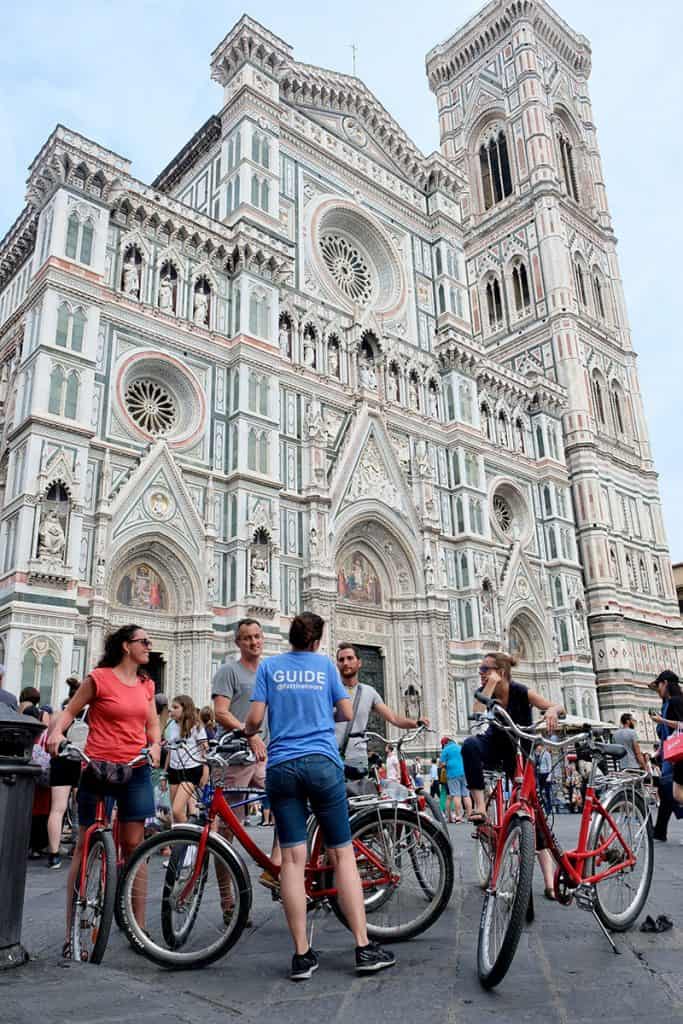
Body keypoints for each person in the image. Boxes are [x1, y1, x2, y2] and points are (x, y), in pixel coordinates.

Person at [245, 612, 395, 980]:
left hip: (281, 767)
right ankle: (362, 947)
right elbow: (345, 711)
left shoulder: (270, 668)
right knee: (342, 854)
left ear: (292, 637)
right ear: (316, 641)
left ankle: (301, 956)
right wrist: (318, 709)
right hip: (323, 764)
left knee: (292, 862)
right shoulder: (326, 667)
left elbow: (253, 720)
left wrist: (254, 729)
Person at [47, 624, 161, 956]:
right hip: (98, 767)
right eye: (143, 642)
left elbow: (152, 722)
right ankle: (71, 932)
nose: (148, 647)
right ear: (126, 646)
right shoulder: (99, 678)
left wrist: (154, 745)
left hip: (136, 769)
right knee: (85, 843)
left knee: (134, 845)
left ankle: (139, 929)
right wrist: (56, 733)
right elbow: (70, 711)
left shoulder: (146, 684)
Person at [462, 651, 564, 899]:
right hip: (495, 744)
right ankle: (479, 806)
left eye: (485, 669)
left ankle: (550, 882)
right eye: (481, 669)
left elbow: (556, 705)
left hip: (520, 751)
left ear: (501, 671)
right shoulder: (487, 692)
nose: (481, 673)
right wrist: (490, 685)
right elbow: (475, 713)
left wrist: (551, 712)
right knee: (469, 746)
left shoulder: (521, 691)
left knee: (533, 812)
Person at [211, 619, 270, 889]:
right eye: (247, 638)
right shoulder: (229, 671)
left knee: (288, 806)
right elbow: (220, 712)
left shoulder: (269, 671)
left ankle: (277, 867)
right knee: (226, 829)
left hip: (264, 756)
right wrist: (250, 734)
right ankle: (227, 898)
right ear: (238, 642)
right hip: (235, 757)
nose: (254, 642)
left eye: (257, 636)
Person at [334, 643, 429, 778]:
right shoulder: (330, 689)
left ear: (359, 662)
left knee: (362, 797)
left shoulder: (369, 692)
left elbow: (393, 718)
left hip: (358, 759)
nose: (345, 663)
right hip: (332, 757)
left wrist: (416, 722)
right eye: (341, 660)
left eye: (350, 658)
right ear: (337, 664)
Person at [649, 670, 683, 842]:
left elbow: (681, 725)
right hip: (670, 753)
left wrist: (661, 721)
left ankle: (659, 830)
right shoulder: (668, 703)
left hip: (677, 754)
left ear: (666, 683)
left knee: (670, 791)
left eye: (659, 685)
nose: (658, 689)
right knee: (669, 792)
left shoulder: (676, 701)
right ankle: (659, 830)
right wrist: (658, 752)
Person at [165, 695, 209, 824]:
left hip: (191, 769)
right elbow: (170, 750)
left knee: (177, 810)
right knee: (174, 814)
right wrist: (164, 773)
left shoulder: (196, 726)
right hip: (174, 770)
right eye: (171, 707)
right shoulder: (171, 725)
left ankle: (190, 837)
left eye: (175, 707)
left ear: (185, 709)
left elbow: (204, 751)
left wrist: (205, 773)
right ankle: (182, 841)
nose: (171, 710)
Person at [439, 736, 471, 823]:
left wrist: (446, 765)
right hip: (465, 773)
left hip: (453, 774)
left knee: (456, 795)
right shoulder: (460, 747)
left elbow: (440, 764)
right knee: (466, 795)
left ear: (444, 744)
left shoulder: (446, 749)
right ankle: (469, 816)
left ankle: (458, 817)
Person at [533, 741, 553, 815]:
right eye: (536, 747)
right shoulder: (536, 754)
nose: (538, 748)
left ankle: (549, 808)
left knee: (547, 792)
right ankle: (543, 807)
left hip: (546, 774)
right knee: (540, 792)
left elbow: (550, 765)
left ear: (541, 746)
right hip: (539, 774)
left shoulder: (546, 754)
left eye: (538, 747)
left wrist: (549, 777)